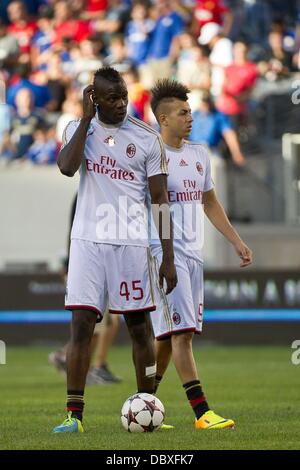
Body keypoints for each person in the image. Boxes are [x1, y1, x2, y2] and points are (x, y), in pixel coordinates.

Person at [52, 66, 177, 433]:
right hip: (88, 244)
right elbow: (65, 167)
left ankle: (149, 405)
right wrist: (87, 120)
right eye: (112, 98)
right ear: (95, 98)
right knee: (82, 327)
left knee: (140, 328)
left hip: (131, 244)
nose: (121, 103)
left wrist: (168, 257)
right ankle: (74, 416)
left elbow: (160, 200)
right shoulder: (79, 130)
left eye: (123, 95)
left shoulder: (146, 138)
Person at [149, 79, 253, 430]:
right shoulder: (153, 156)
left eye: (190, 111)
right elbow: (155, 209)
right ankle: (202, 413)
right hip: (165, 256)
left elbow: (209, 201)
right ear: (164, 119)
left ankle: (142, 400)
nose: (190, 117)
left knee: (166, 338)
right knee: (183, 335)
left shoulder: (199, 154)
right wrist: (163, 257)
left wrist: (235, 241)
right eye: (183, 113)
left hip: (193, 255)